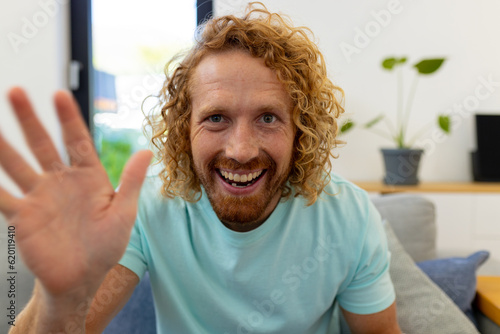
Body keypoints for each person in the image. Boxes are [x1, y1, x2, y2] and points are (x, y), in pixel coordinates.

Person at [2, 3, 401, 333]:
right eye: (216, 118)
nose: (241, 150)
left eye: (267, 118)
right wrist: (57, 296)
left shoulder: (347, 214)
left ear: (301, 131)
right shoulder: (148, 205)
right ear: (183, 131)